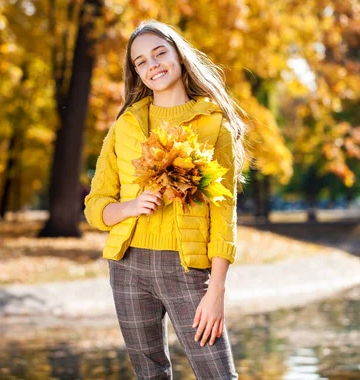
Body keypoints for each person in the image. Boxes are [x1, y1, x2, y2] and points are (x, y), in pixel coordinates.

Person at [84, 20, 246, 380]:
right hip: (127, 267)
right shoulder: (124, 125)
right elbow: (96, 205)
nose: (152, 64)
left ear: (179, 56)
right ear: (137, 73)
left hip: (188, 270)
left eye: (159, 53)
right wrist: (129, 206)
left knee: (218, 374)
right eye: (140, 61)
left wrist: (216, 289)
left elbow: (224, 215)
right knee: (149, 375)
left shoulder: (212, 123)